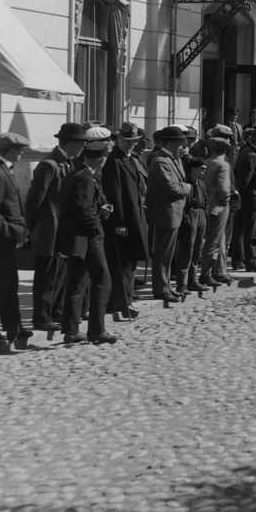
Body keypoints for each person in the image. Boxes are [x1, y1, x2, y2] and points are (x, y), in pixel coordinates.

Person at [24, 122, 88, 332]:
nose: (82, 147)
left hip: (62, 229)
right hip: (48, 229)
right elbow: (34, 200)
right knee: (46, 276)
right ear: (70, 143)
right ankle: (41, 317)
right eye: (80, 143)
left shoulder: (68, 162)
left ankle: (57, 312)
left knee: (61, 273)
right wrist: (30, 229)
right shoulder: (50, 164)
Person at [56, 127, 117, 345]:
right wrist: (98, 225)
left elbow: (84, 207)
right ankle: (97, 330)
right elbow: (83, 211)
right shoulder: (84, 178)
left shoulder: (79, 174)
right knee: (102, 281)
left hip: (77, 239)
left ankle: (71, 330)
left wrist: (102, 209)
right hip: (88, 237)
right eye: (105, 158)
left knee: (77, 283)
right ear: (100, 159)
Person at [0, 133, 32, 349]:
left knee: (10, 284)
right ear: (10, 150)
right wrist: (9, 232)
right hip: (1, 239)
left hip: (6, 239)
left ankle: (14, 326)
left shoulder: (3, 170)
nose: (21, 153)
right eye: (19, 150)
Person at [102, 122, 148, 320]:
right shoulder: (114, 161)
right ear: (118, 140)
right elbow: (114, 194)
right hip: (123, 220)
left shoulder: (132, 159)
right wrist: (119, 221)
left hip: (135, 216)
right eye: (126, 141)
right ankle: (124, 302)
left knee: (129, 262)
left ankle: (116, 301)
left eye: (133, 141)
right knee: (123, 263)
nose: (130, 145)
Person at [146, 126, 192, 303]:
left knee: (168, 253)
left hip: (174, 212)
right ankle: (161, 288)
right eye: (180, 142)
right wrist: (186, 189)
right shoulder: (161, 161)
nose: (182, 145)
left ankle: (166, 286)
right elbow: (170, 186)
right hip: (165, 213)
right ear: (170, 143)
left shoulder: (173, 158)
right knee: (163, 253)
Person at [198, 137, 235, 288]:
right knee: (214, 242)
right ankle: (206, 274)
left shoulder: (207, 163)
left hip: (206, 206)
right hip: (219, 207)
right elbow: (224, 189)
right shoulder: (223, 164)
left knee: (218, 240)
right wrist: (230, 197)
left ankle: (219, 271)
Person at [234, 126, 256, 272]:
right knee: (252, 233)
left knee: (240, 231)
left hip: (245, 198)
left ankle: (238, 261)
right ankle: (252, 262)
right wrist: (241, 195)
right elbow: (245, 179)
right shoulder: (253, 155)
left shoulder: (245, 151)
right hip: (251, 198)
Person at [174, 155, 209, 295]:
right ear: (193, 169)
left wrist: (205, 216)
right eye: (202, 169)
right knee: (186, 250)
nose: (204, 171)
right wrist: (185, 218)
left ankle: (193, 281)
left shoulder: (201, 184)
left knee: (197, 250)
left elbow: (205, 201)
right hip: (190, 215)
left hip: (200, 215)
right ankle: (182, 283)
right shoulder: (185, 183)